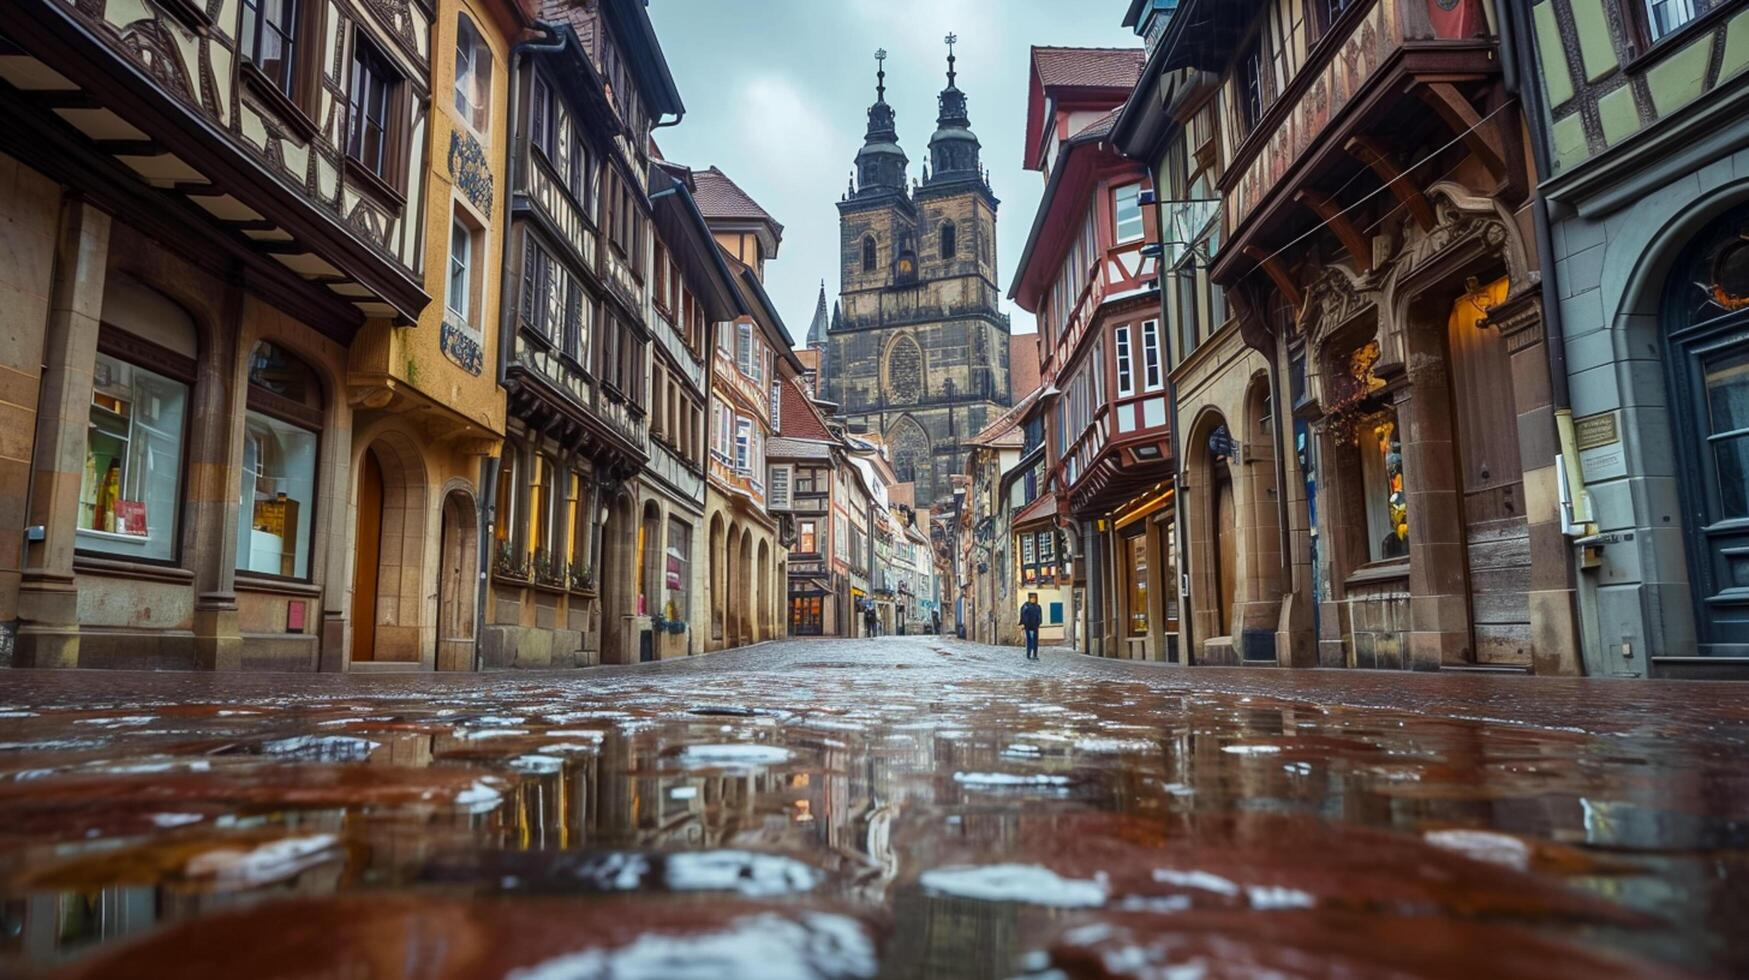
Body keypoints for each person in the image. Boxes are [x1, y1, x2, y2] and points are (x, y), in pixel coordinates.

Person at [1019, 593, 1043, 661]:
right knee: (1029, 641)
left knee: (1035, 641)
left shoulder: (1038, 607)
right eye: (1032, 598)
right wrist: (1023, 623)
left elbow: (1040, 615)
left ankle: (1035, 654)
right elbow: (1022, 614)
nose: (1033, 599)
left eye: (1034, 598)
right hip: (1028, 626)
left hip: (1035, 626)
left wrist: (1039, 622)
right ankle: (1028, 654)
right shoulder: (1026, 606)